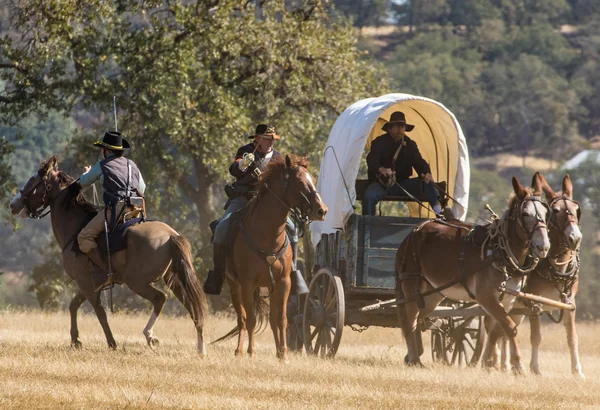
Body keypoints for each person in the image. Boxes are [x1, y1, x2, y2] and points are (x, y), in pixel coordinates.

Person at [203, 124, 308, 296]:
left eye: (273, 139)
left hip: (267, 204)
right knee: (222, 228)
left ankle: (293, 272)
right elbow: (234, 170)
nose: (271, 143)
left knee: (292, 229)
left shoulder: (277, 156)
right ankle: (218, 274)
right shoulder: (246, 151)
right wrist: (245, 163)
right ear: (257, 139)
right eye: (267, 139)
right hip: (243, 199)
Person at [77, 131, 146, 291]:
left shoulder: (102, 166)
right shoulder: (132, 165)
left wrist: (87, 172)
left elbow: (84, 182)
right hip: (135, 209)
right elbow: (142, 188)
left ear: (106, 150)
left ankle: (107, 273)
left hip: (117, 210)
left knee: (84, 237)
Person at [363, 111, 442, 216]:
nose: (400, 129)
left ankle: (440, 214)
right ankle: (368, 225)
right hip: (382, 184)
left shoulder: (410, 145)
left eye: (402, 126)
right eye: (396, 126)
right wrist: (381, 169)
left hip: (403, 184)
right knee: (370, 195)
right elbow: (371, 160)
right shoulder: (379, 142)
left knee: (428, 183)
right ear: (390, 128)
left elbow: (419, 161)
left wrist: (426, 173)